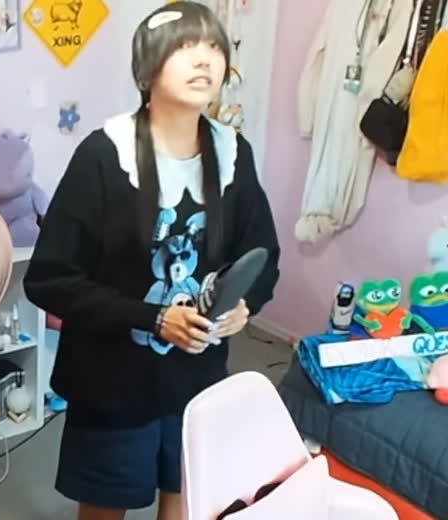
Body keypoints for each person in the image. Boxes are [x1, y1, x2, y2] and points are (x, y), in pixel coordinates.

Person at [23, 2, 280, 519]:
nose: (204, 59)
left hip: (196, 378)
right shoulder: (104, 154)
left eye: (214, 47)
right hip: (112, 383)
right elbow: (49, 279)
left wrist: (244, 305)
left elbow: (263, 254)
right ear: (147, 69)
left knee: (185, 498)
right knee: (106, 506)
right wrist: (154, 318)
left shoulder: (234, 153)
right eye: (185, 46)